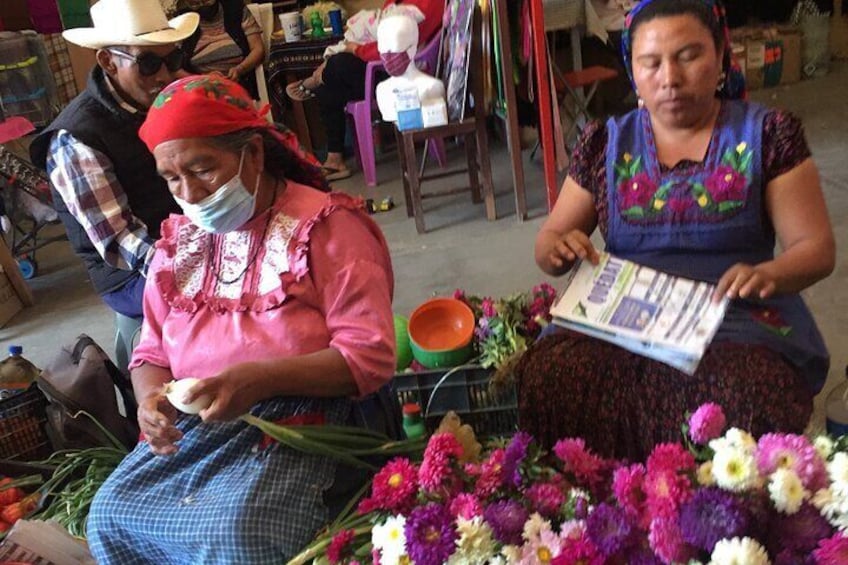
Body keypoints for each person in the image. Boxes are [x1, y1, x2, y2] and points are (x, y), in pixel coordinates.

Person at [86, 75, 396, 563]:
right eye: (171, 178)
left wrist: (260, 379)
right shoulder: (178, 245)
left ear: (253, 154)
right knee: (110, 514)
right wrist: (149, 399)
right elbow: (151, 351)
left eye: (203, 169)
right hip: (200, 429)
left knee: (236, 535)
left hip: (303, 422)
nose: (189, 192)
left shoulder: (328, 229)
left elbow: (370, 357)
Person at [517, 0, 835, 461]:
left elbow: (816, 248)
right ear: (632, 69)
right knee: (553, 379)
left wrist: (772, 275)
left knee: (748, 393)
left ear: (721, 56)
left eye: (688, 56)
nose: (670, 77)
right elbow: (549, 241)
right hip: (623, 316)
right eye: (651, 62)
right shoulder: (605, 142)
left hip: (734, 315)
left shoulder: (768, 136)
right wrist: (557, 248)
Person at [29, 0, 199, 319]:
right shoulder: (77, 139)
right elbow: (122, 242)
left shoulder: (171, 91)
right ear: (108, 61)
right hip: (132, 275)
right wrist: (202, 268)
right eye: (148, 63)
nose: (165, 74)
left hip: (190, 239)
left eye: (173, 57)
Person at [285, 0, 443, 181]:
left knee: (337, 66)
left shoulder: (428, 3)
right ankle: (334, 158)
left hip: (403, 72)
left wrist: (355, 49)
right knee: (330, 82)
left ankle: (334, 156)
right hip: (380, 66)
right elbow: (379, 34)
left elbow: (394, 47)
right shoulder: (396, 2)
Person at [177, 0, 266, 99]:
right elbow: (175, 68)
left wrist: (240, 69)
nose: (202, 6)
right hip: (202, 92)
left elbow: (258, 49)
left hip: (242, 83)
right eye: (195, 3)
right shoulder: (181, 21)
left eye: (207, 1)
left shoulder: (236, 9)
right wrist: (203, 80)